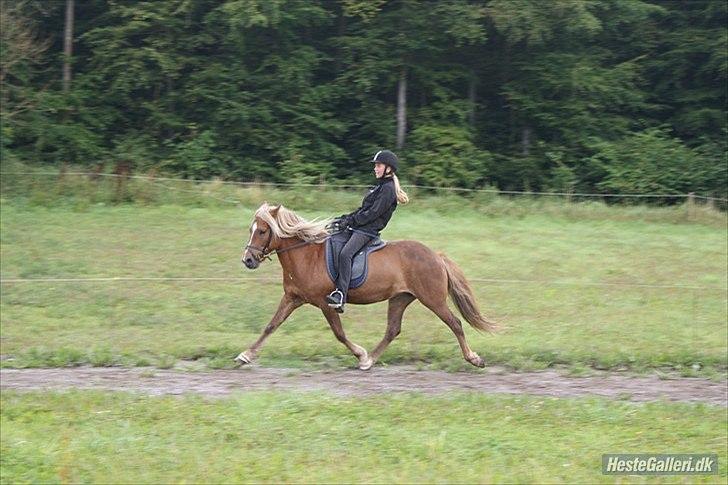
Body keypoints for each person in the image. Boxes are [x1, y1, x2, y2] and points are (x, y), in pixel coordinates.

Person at [326, 149, 409, 312]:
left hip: (367, 232)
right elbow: (364, 209)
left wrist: (352, 221)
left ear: (389, 169)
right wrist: (345, 218)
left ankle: (341, 295)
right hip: (360, 227)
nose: (375, 168)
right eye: (376, 166)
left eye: (378, 165)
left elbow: (373, 214)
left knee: (346, 254)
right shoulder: (380, 187)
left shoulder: (388, 189)